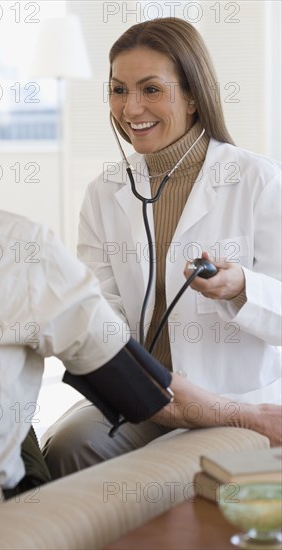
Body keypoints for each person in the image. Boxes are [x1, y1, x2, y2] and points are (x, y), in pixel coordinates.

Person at [42, 17, 282, 479]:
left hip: (233, 395)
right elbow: (101, 304)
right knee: (68, 448)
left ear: (193, 96)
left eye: (151, 89)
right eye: (118, 89)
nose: (130, 108)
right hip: (148, 396)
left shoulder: (259, 181)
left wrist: (240, 288)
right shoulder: (104, 190)